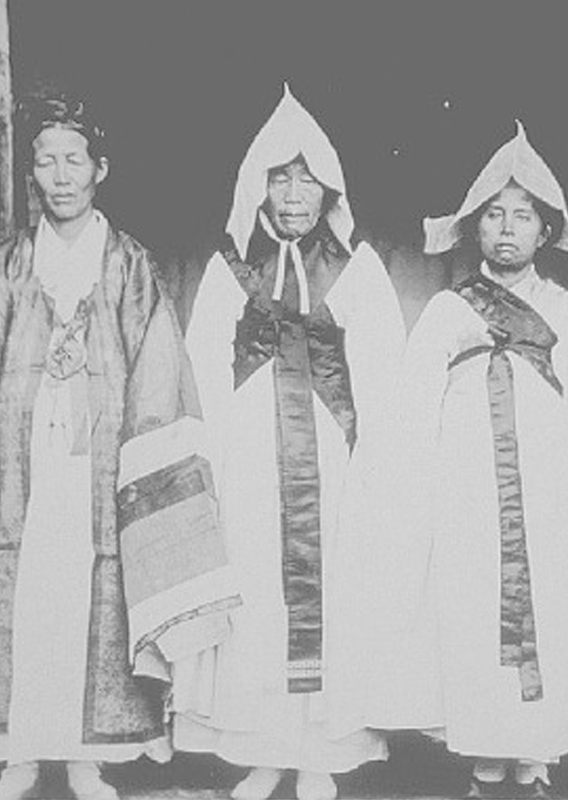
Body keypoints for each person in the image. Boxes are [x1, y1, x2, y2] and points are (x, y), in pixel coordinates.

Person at [0, 92, 238, 800]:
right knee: (15, 604)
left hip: (102, 468)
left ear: (101, 170)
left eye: (74, 161)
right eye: (46, 161)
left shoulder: (129, 265)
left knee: (93, 602)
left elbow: (157, 375)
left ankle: (88, 759)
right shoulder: (2, 268)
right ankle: (18, 758)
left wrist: (134, 463)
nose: (61, 176)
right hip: (16, 465)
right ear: (30, 173)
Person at [375, 121, 568, 796]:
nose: (507, 229)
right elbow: (412, 415)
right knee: (470, 611)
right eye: (494, 215)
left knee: (549, 610)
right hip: (467, 494)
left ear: (544, 232)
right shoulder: (445, 310)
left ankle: (537, 751)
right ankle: (484, 754)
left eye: (522, 217)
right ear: (475, 229)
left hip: (548, 496)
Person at [174, 85, 405, 800]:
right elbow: (200, 371)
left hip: (332, 461)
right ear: (257, 187)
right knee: (257, 596)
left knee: (335, 592)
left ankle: (319, 757)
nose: (295, 193)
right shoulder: (226, 271)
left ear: (328, 188)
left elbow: (385, 374)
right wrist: (206, 464)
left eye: (307, 179)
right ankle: (263, 751)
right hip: (249, 460)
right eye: (280, 177)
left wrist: (376, 464)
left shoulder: (358, 269)